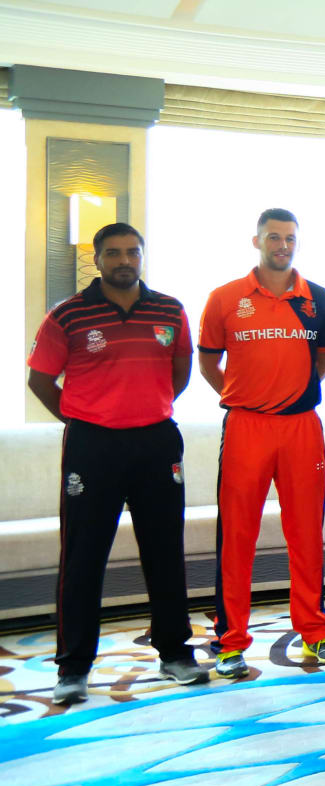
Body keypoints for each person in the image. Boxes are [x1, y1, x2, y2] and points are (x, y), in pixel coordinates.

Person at [29, 223, 206, 704]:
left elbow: (181, 369)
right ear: (98, 259)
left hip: (156, 443)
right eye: (113, 253)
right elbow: (40, 380)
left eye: (132, 252)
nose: (124, 260)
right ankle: (73, 668)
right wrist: (83, 417)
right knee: (83, 557)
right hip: (92, 447)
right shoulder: (67, 315)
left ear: (142, 256)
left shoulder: (169, 309)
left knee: (165, 552)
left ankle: (175, 653)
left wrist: (146, 407)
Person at [198, 208, 325, 677]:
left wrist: (291, 392)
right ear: (256, 240)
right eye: (274, 237)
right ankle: (230, 641)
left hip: (301, 427)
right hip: (246, 427)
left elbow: (321, 361)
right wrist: (245, 397)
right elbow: (207, 362)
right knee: (237, 536)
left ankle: (316, 633)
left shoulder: (316, 299)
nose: (282, 245)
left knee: (306, 534)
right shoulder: (225, 298)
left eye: (290, 238)